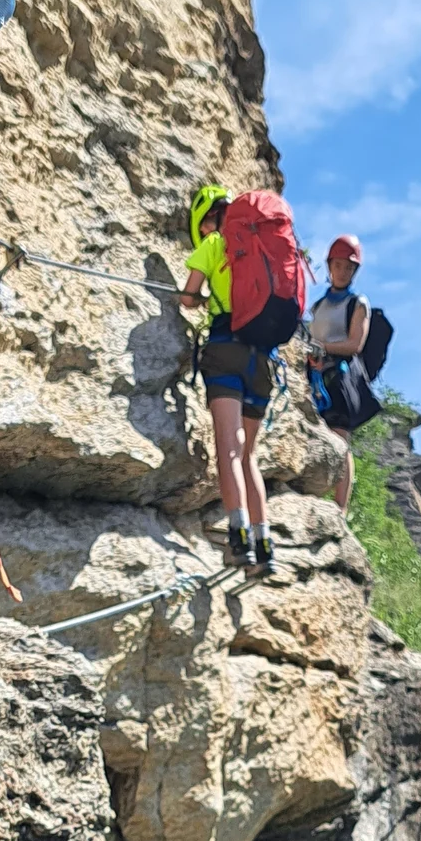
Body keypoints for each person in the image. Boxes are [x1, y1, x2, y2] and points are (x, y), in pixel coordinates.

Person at [178, 182, 276, 571]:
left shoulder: (213, 244)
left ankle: (239, 541)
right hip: (262, 362)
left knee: (228, 448)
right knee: (249, 454)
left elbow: (187, 298)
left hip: (225, 351)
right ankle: (264, 543)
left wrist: (200, 299)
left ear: (204, 222)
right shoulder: (256, 248)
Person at [305, 232, 371, 510]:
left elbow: (355, 344)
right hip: (314, 378)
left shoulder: (359, 304)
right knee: (318, 439)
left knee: (340, 441)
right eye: (338, 265)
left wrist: (322, 347)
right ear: (329, 265)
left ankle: (340, 508)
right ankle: (318, 496)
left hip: (340, 379)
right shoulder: (317, 306)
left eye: (348, 266)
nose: (342, 271)